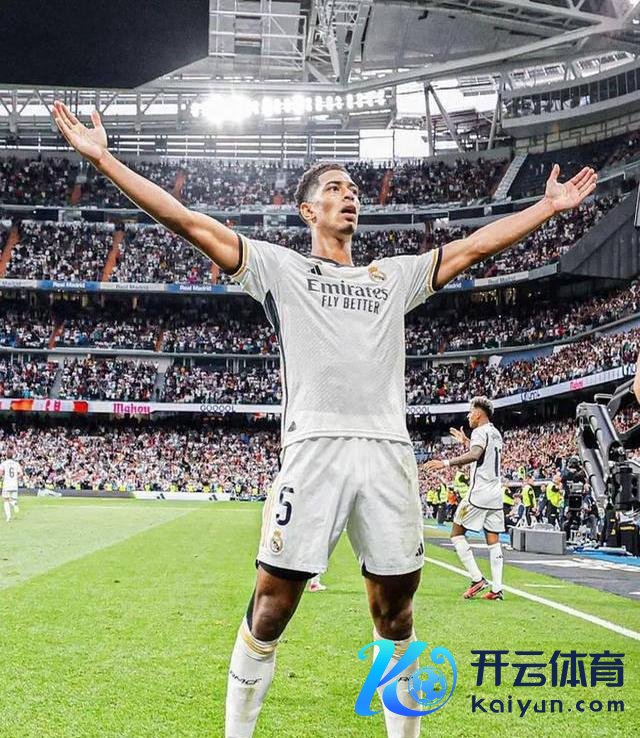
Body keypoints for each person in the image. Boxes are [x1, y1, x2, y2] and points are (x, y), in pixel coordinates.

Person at [51, 100, 597, 738]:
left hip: (387, 453)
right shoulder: (278, 268)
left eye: (354, 189)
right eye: (335, 188)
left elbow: (475, 246)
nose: (350, 196)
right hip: (313, 451)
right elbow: (185, 219)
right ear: (307, 210)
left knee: (396, 614)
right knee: (271, 607)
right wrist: (106, 160)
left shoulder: (393, 277)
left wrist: (546, 208)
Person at [426, 397, 505, 601]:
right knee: (493, 540)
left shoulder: (479, 431)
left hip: (479, 493)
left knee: (456, 533)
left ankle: (477, 579)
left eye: (470, 412)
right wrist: (466, 442)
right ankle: (497, 589)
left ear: (478, 414)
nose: (468, 416)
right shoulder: (495, 433)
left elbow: (476, 455)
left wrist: (445, 463)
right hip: (495, 494)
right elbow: (483, 453)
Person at [0, 447, 24, 522]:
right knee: (12, 499)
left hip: (7, 484)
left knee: (6, 500)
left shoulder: (3, 463)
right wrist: (15, 477)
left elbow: (0, 474)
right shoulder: (16, 464)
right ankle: (14, 503)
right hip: (14, 484)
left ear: (6, 456)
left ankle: (8, 517)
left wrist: (3, 477)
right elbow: (21, 474)